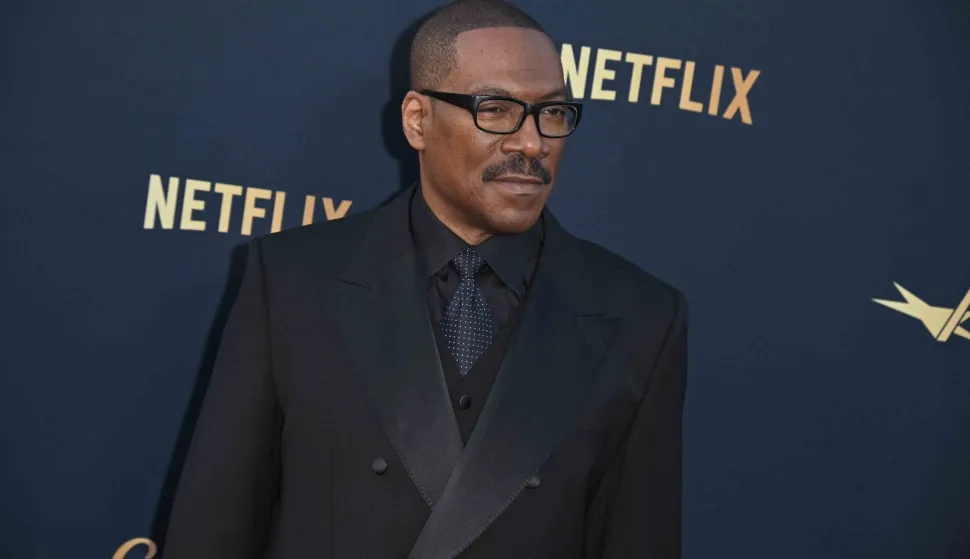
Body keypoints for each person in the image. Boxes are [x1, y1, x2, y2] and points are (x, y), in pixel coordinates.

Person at [162, 0, 688, 557]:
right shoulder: (291, 283)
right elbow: (213, 534)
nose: (533, 143)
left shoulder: (642, 317)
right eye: (497, 109)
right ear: (418, 120)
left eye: (553, 113)